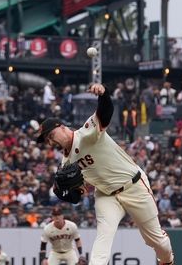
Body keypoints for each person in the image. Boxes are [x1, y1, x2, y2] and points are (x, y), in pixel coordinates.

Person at [38, 83, 174, 265]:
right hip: (106, 195)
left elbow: (105, 113)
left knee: (157, 241)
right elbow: (77, 196)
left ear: (62, 127)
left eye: (50, 134)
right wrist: (61, 193)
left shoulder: (86, 133)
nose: (49, 140)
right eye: (46, 139)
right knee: (104, 235)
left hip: (133, 185)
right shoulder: (66, 163)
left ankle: (168, 261)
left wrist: (104, 94)